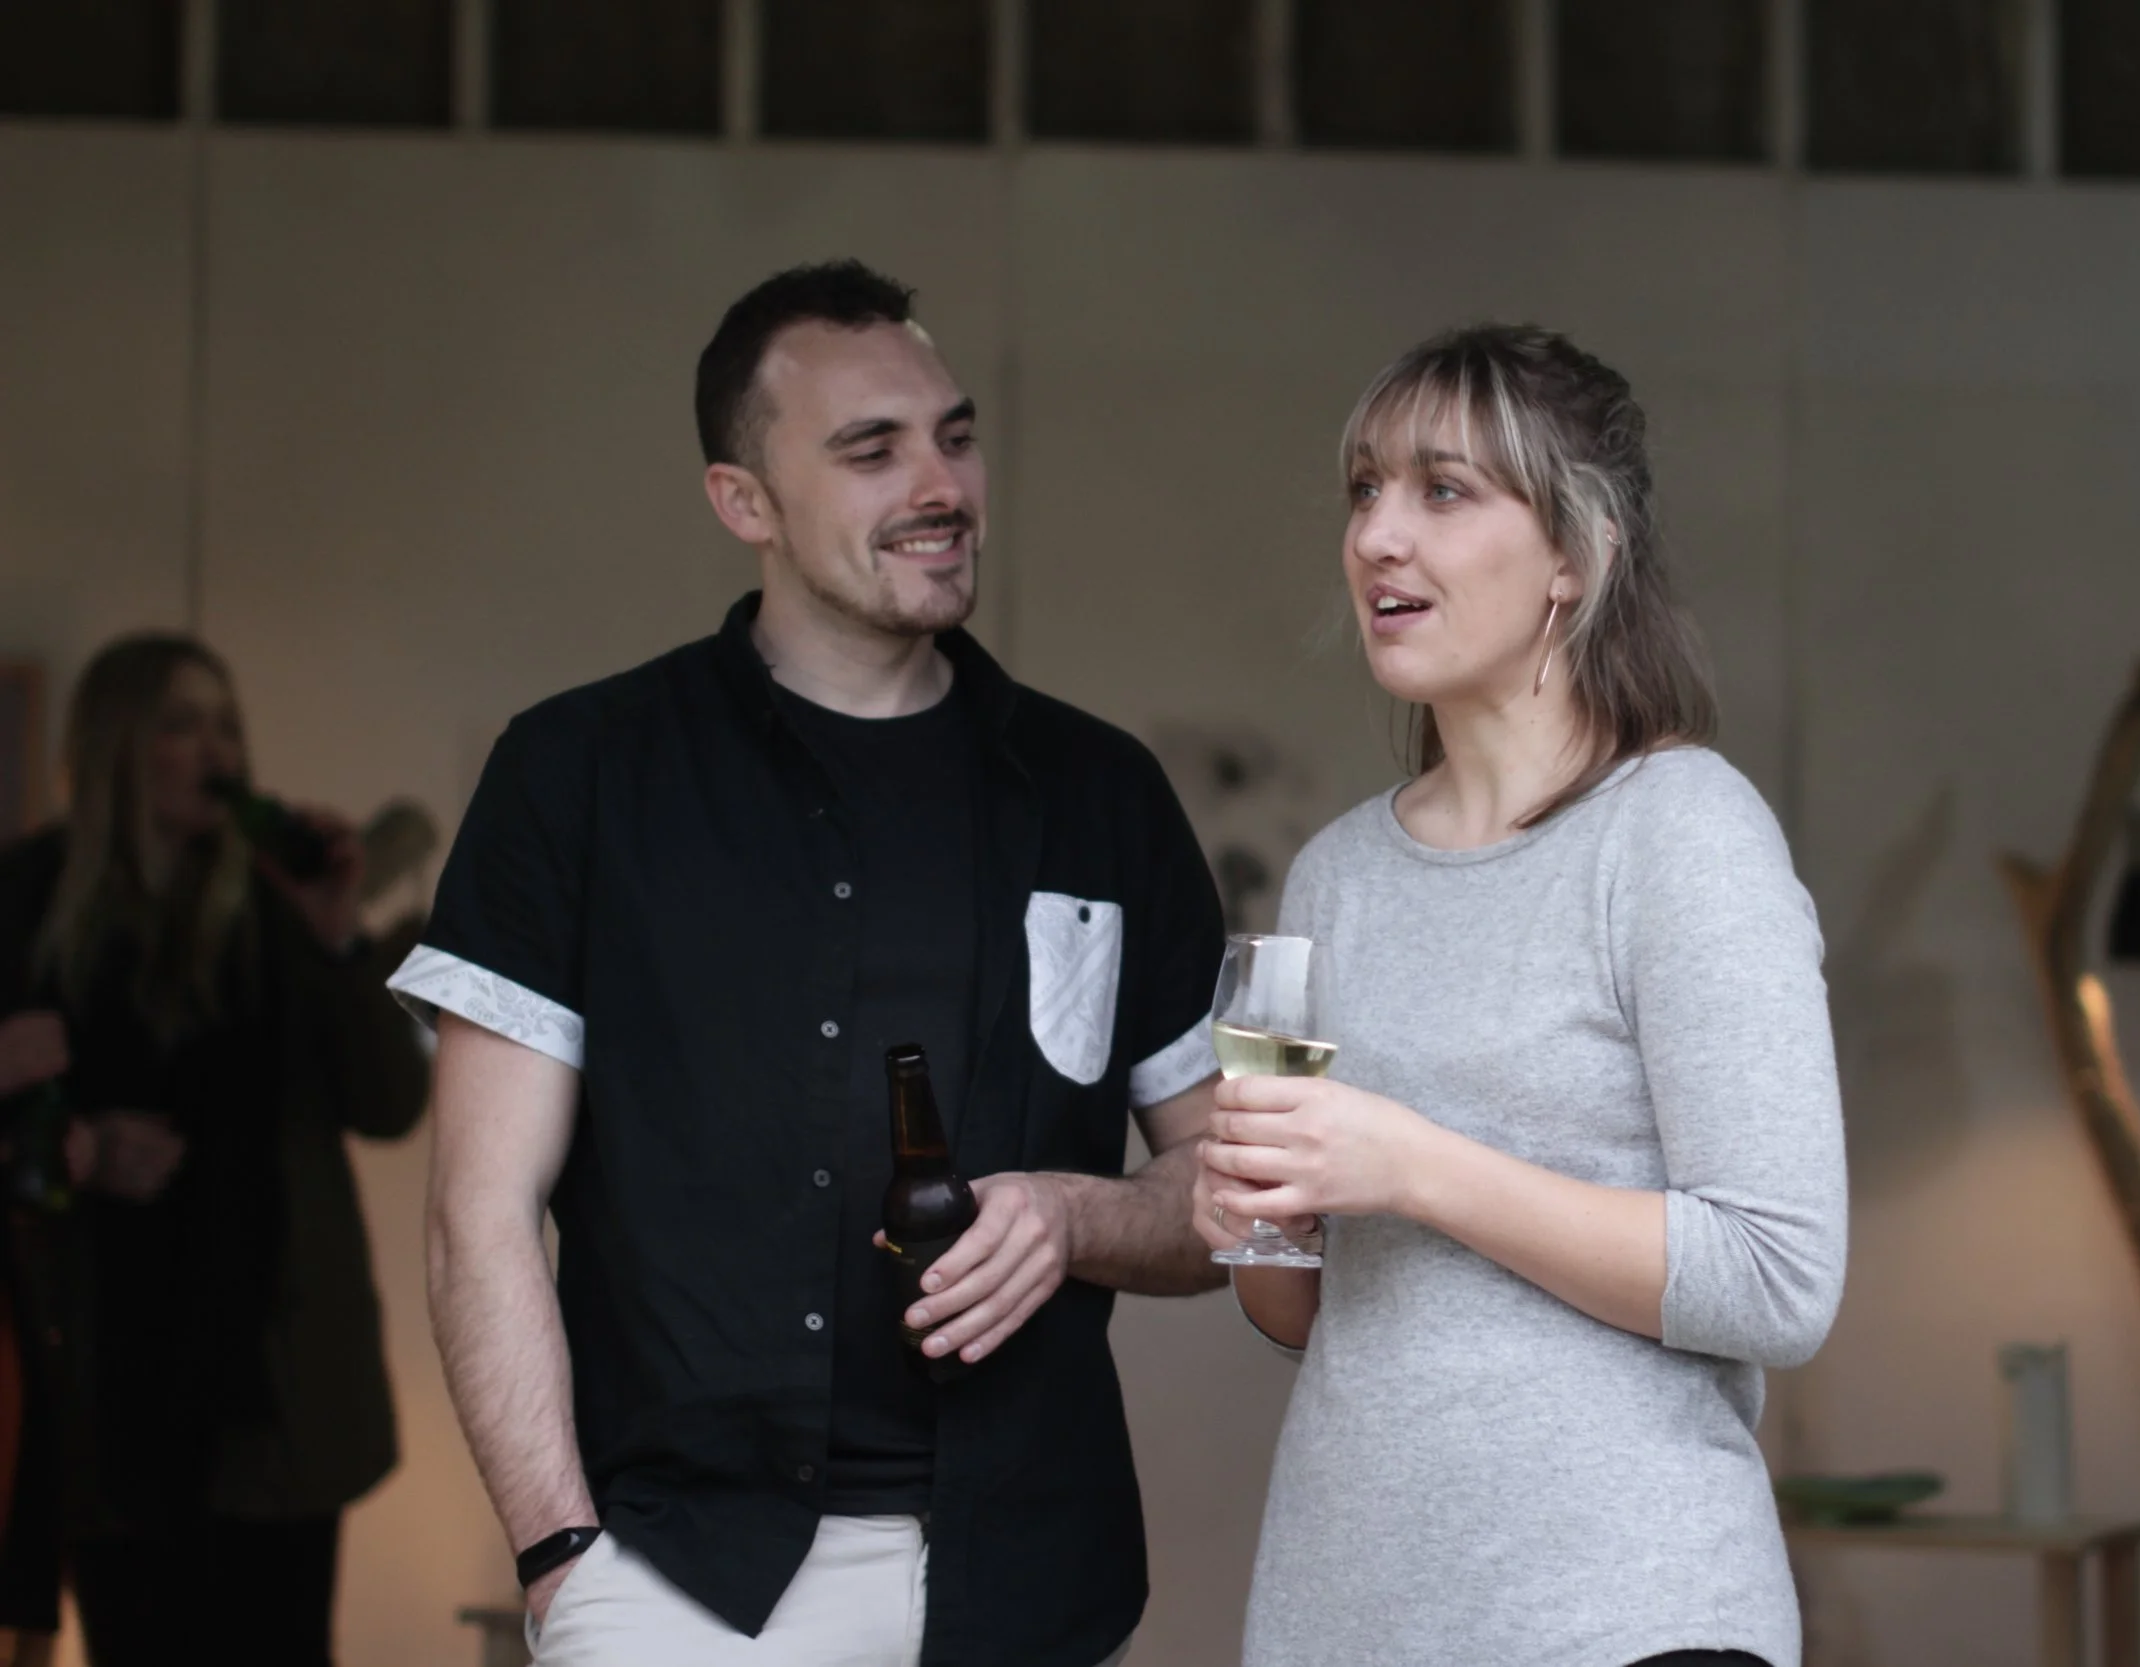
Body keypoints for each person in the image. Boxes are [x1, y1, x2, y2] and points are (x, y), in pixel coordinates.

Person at [397, 260, 1227, 1667]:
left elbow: (1228, 1202)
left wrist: (1074, 1215)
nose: (941, 484)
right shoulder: (578, 773)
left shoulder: (1101, 792)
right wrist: (558, 1558)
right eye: (871, 449)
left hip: (1027, 1579)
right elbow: (478, 1211)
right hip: (679, 1583)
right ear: (746, 502)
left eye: (954, 436)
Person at [1198, 325, 1849, 1667]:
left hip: (1626, 1617)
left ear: (1576, 554)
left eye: (1443, 490)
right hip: (1348, 1617)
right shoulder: (1337, 876)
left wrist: (1412, 1164)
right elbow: (1306, 1313)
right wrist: (1257, 1227)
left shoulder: (1680, 833)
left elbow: (1777, 1278)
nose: (1378, 535)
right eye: (1366, 489)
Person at [0, 634, 429, 1667]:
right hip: (104, 1371)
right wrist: (81, 1147)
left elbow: (387, 1102)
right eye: (182, 723)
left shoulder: (278, 902)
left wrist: (337, 935)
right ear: (116, 743)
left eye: (228, 724)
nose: (217, 750)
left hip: (271, 1382)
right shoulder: (28, 898)